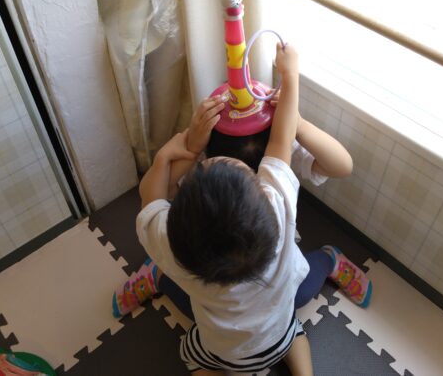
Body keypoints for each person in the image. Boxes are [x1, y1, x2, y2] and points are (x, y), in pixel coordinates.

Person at [113, 44, 372, 375]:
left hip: (217, 330)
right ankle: (328, 261)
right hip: (279, 324)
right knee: (301, 299)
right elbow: (281, 145)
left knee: (187, 332)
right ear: (264, 193)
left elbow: (152, 195)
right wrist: (290, 78)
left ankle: (157, 273)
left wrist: (177, 151)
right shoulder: (277, 207)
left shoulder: (172, 246)